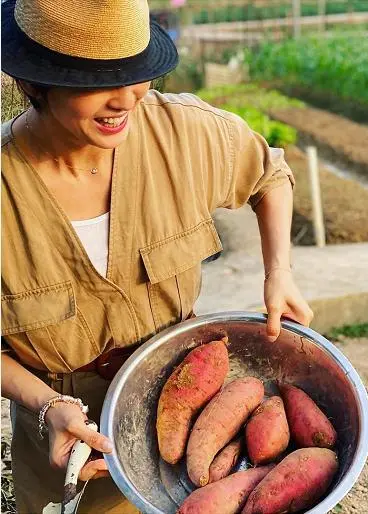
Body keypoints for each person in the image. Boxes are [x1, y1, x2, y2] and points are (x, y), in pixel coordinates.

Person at [0, 1, 313, 512]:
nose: (127, 98)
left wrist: (279, 273)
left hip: (188, 406)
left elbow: (269, 173)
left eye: (136, 73)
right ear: (36, 82)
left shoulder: (182, 134)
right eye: (98, 81)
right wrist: (46, 404)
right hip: (69, 445)